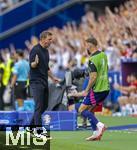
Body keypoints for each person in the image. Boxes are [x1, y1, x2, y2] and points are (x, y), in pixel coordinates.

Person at [69, 35, 110, 141]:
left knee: (81, 109)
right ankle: (96, 133)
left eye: (86, 45)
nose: (85, 47)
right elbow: (105, 69)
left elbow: (93, 77)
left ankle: (100, 125)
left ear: (89, 45)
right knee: (90, 111)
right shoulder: (103, 55)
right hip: (106, 88)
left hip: (98, 89)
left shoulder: (92, 59)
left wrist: (86, 90)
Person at [28, 31, 60, 139]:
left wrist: (53, 77)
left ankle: (30, 128)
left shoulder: (46, 51)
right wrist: (35, 63)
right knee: (39, 106)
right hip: (36, 82)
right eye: (49, 39)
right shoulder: (35, 50)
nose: (51, 41)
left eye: (51, 39)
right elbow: (32, 65)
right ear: (42, 39)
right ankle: (38, 132)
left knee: (44, 106)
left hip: (44, 81)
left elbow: (46, 68)